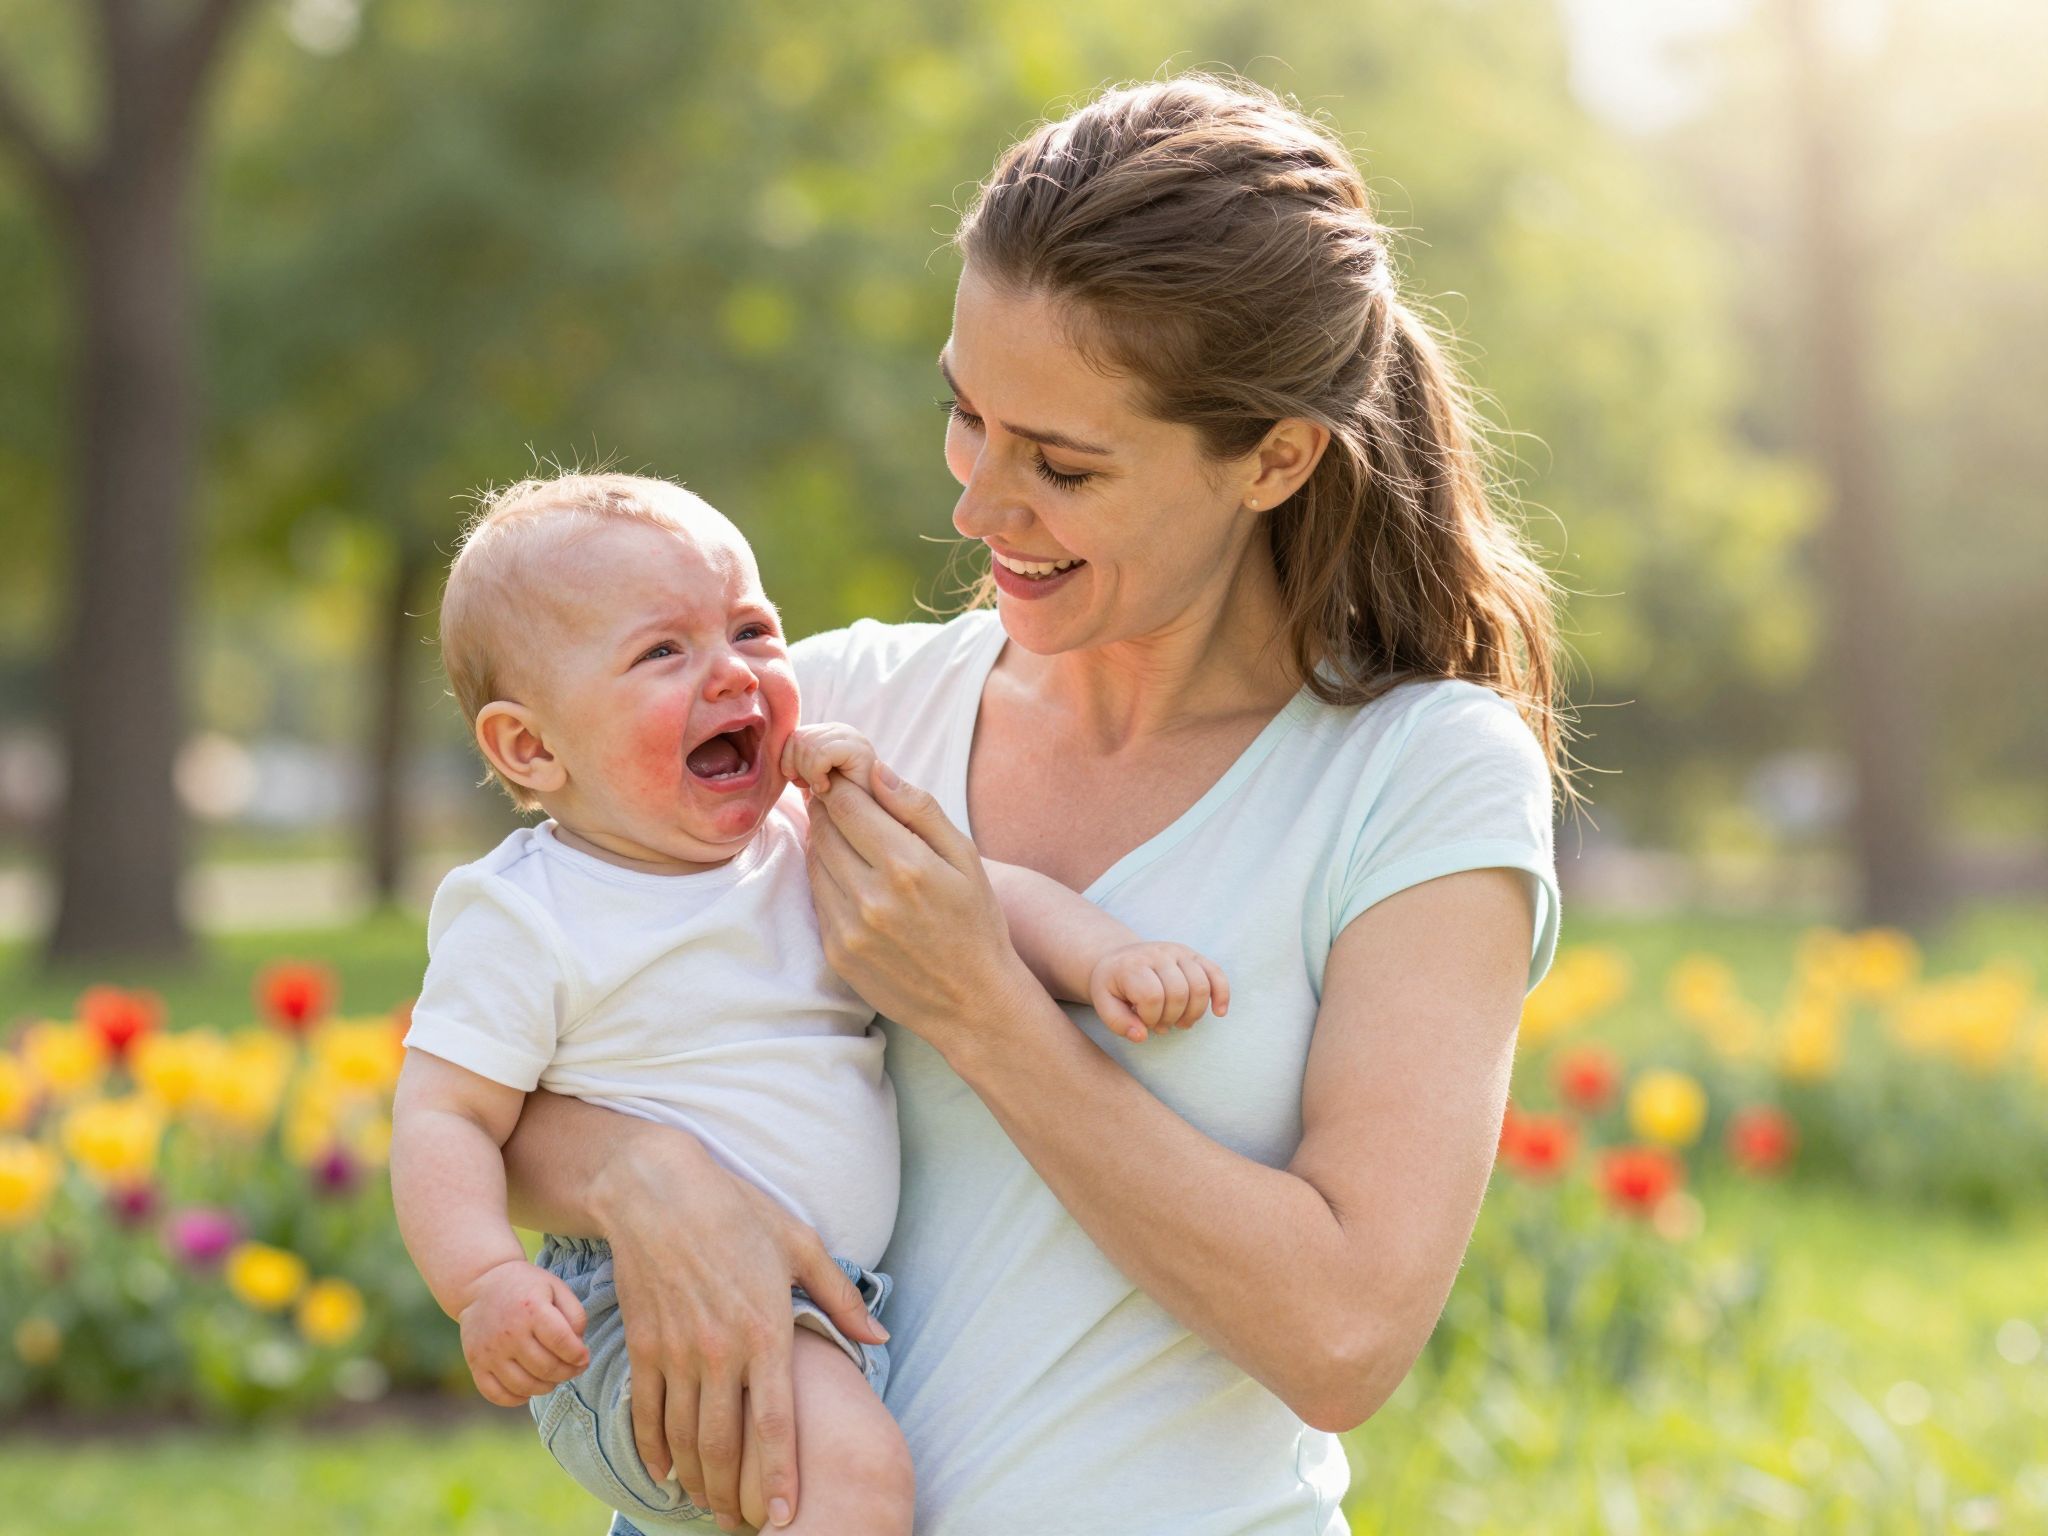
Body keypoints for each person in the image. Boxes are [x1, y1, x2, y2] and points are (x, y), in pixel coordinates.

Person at [501, 73, 1566, 1536]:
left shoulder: (1418, 776)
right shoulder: (829, 709)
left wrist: (981, 1004)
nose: (979, 506)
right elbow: (492, 1041)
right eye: (968, 418)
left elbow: (1344, 1337)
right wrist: (642, 1173)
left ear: (1274, 456)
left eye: (1062, 465)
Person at [389, 473, 1231, 1534]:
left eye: (750, 627)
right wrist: (484, 1283)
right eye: (663, 652)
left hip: (820, 1306)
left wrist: (1104, 955)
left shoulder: (800, 835)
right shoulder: (528, 913)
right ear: (531, 748)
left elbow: (979, 895)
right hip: (637, 1299)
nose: (731, 672)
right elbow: (445, 1115)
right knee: (847, 1485)